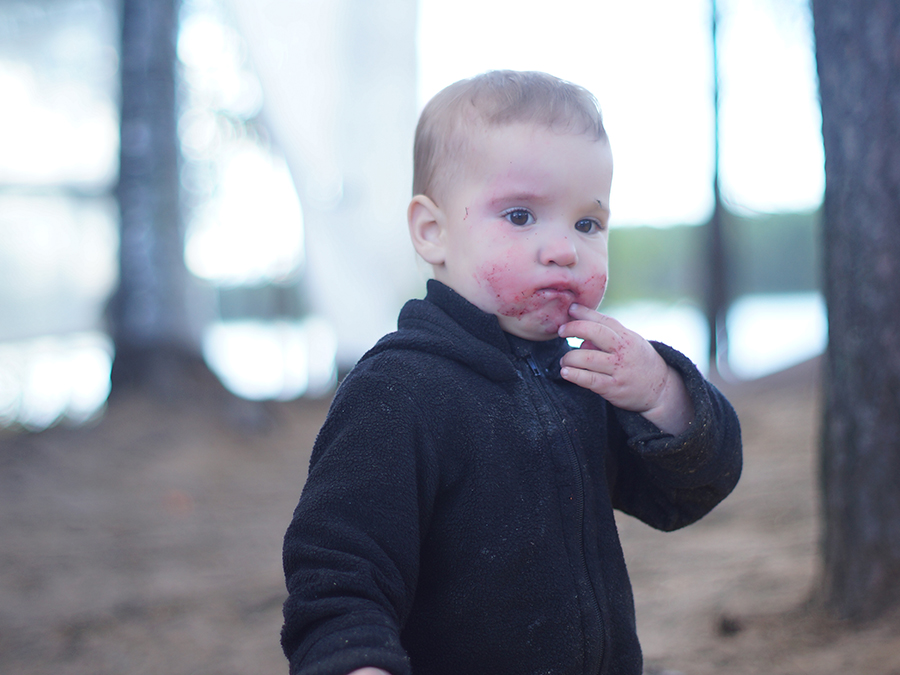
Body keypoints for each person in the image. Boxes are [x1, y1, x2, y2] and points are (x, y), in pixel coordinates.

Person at [281, 70, 742, 675]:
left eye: (587, 223)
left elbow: (683, 496)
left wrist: (663, 395)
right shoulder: (397, 392)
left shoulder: (583, 378)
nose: (564, 249)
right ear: (433, 230)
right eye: (522, 215)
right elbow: (340, 576)